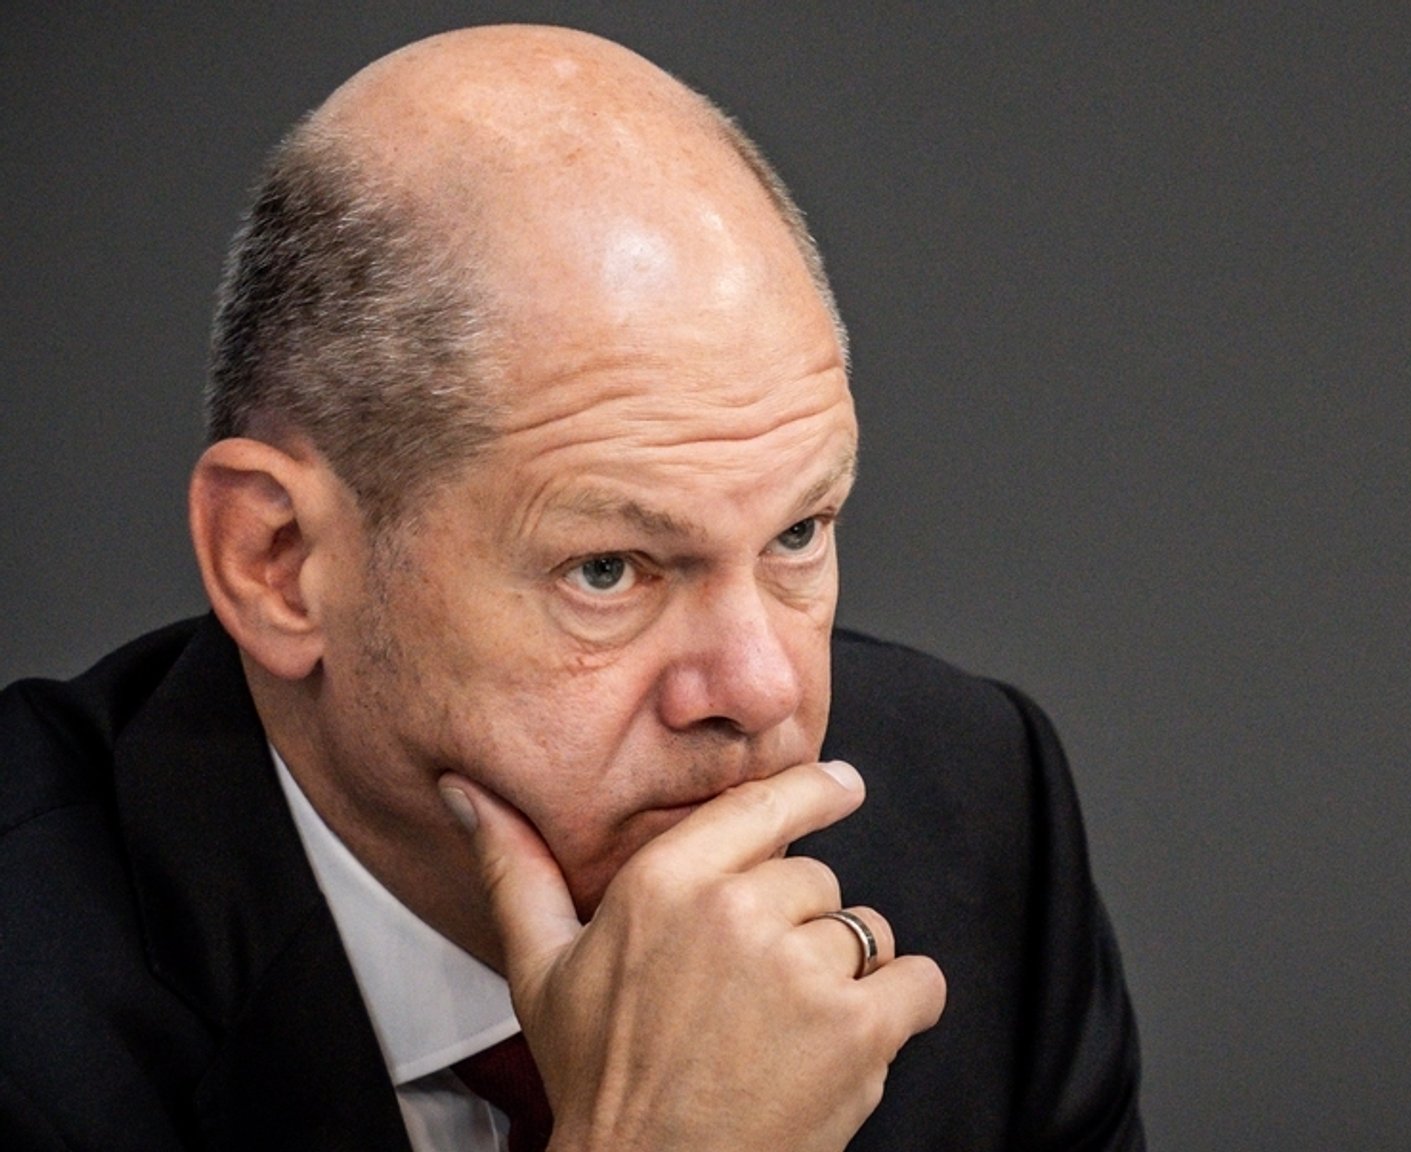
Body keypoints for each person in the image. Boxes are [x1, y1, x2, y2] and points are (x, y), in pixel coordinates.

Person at [0, 24, 1142, 1152]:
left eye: (797, 532)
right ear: (280, 566)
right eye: (608, 570)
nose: (760, 690)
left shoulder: (973, 801)